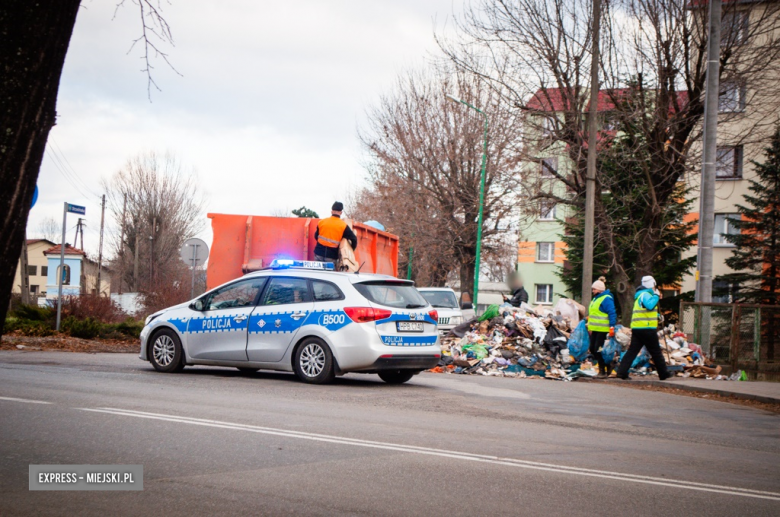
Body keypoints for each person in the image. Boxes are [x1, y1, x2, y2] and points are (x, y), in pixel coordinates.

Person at [615, 275, 671, 380]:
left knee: (632, 351)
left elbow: (645, 312)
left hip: (638, 328)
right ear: (652, 285)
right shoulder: (646, 295)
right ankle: (663, 373)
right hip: (647, 329)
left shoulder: (639, 295)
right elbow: (650, 306)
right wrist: (656, 295)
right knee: (656, 351)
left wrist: (658, 316)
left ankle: (622, 372)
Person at [586, 276, 617, 378]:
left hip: (603, 330)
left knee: (598, 349)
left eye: (594, 289)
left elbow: (612, 313)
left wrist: (612, 327)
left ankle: (602, 371)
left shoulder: (606, 299)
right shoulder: (596, 299)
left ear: (599, 289)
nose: (593, 291)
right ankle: (607, 366)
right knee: (593, 349)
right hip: (595, 330)